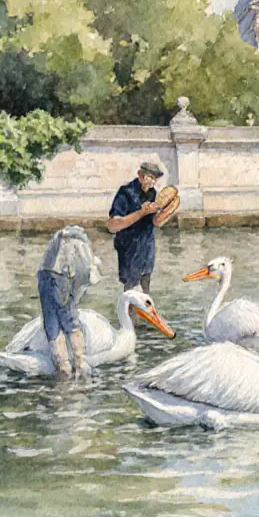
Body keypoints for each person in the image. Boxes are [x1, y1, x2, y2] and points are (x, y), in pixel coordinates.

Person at [38, 225, 102, 380]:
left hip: (52, 277)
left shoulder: (63, 247)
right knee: (69, 322)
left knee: (54, 325)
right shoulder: (81, 254)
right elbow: (80, 287)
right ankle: (77, 363)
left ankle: (65, 368)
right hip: (58, 278)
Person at [107, 161, 173, 293]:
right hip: (129, 246)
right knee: (131, 286)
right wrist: (141, 212)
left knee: (145, 284)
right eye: (150, 177)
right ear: (140, 175)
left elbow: (153, 222)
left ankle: (144, 312)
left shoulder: (152, 193)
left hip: (147, 246)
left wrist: (166, 212)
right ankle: (130, 312)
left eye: (155, 178)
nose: (152, 182)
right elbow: (113, 225)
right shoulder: (125, 192)